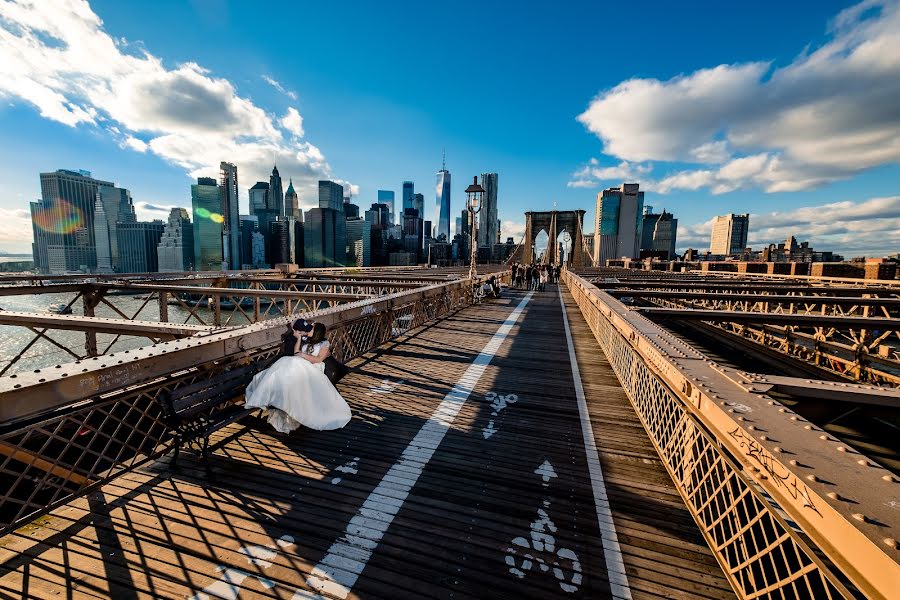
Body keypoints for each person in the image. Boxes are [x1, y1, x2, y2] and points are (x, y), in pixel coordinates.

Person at [244, 319, 351, 433]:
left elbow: (319, 359)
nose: (310, 327)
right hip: (300, 364)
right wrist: (299, 338)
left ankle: (275, 395)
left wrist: (303, 355)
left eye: (312, 327)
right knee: (287, 362)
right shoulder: (306, 339)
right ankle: (274, 395)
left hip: (314, 367)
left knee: (290, 364)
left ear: (317, 331)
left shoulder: (324, 343)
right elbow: (296, 352)